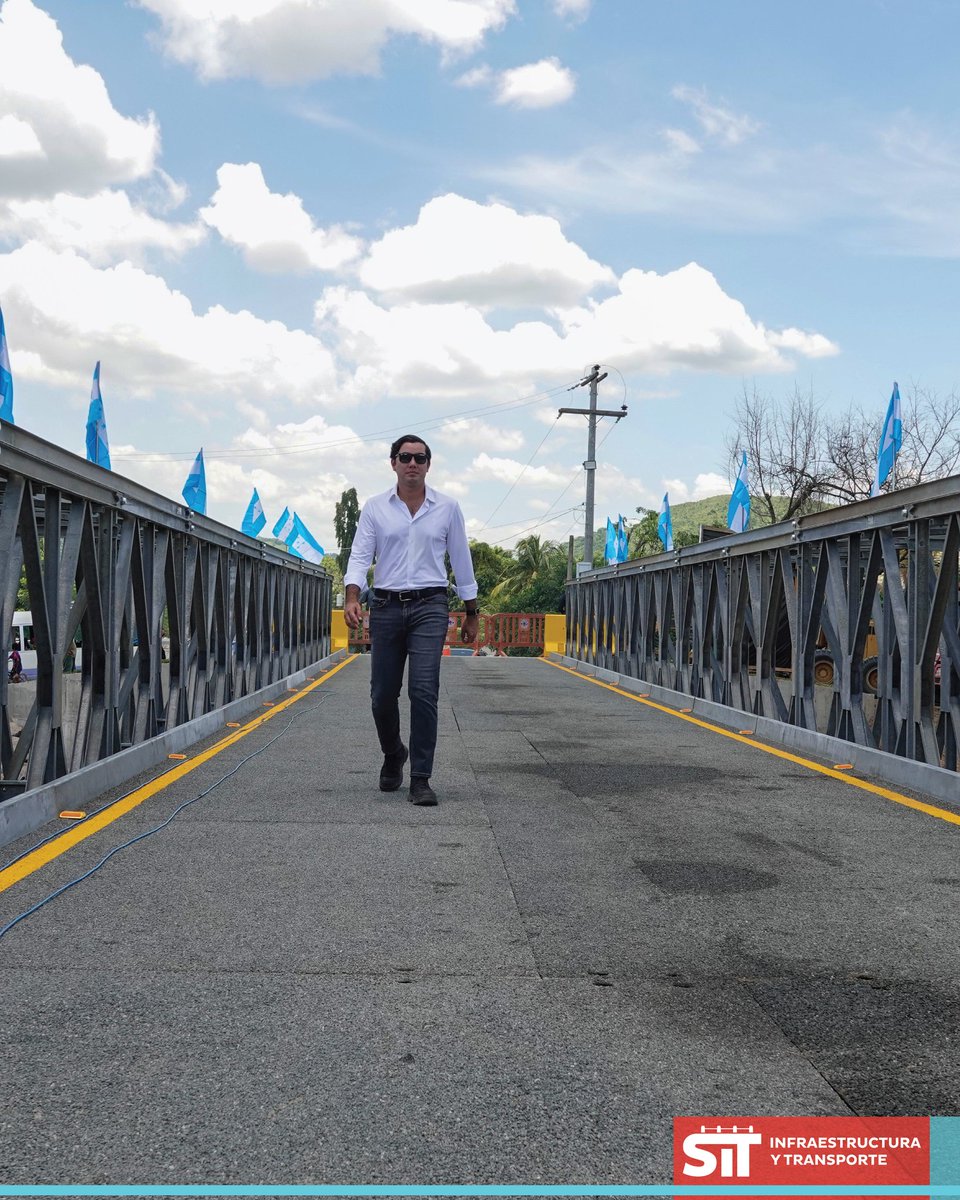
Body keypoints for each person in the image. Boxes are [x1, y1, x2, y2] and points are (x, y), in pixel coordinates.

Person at [344, 434, 478, 806]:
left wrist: (471, 612)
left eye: (420, 458)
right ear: (393, 463)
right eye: (405, 457)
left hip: (430, 606)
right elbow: (359, 556)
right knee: (381, 696)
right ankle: (393, 753)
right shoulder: (375, 508)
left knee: (423, 691)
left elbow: (461, 560)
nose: (412, 464)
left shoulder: (447, 508)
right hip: (385, 607)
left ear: (428, 464)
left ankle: (421, 778)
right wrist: (352, 596)